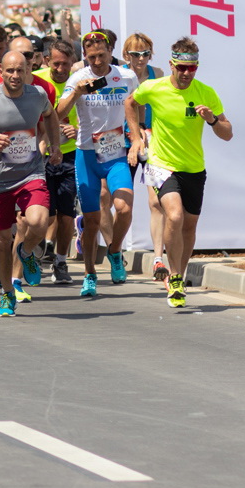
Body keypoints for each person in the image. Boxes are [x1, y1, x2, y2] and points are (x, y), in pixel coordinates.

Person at [125, 38, 232, 308]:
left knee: (189, 225)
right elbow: (130, 103)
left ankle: (178, 277)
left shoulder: (206, 92)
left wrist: (212, 120)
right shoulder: (154, 88)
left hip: (194, 168)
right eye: (182, 67)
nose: (186, 74)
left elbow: (227, 134)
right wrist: (136, 138)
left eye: (192, 69)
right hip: (162, 164)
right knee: (173, 214)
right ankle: (173, 275)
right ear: (172, 65)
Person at [0, 51, 62, 317]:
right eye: (10, 71)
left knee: (39, 222)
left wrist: (55, 145)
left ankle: (27, 251)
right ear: (1, 72)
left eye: (21, 70)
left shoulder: (37, 95)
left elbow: (51, 116)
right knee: (2, 242)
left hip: (30, 173)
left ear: (28, 70)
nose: (16, 76)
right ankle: (7, 293)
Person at [57, 31, 140, 297]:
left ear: (110, 52)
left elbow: (136, 105)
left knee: (124, 208)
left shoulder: (126, 76)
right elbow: (58, 114)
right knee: (91, 221)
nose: (97, 61)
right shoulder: (78, 78)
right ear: (85, 56)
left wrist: (136, 136)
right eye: (91, 57)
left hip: (115, 152)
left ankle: (115, 251)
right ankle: (90, 274)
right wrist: (76, 93)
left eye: (101, 55)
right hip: (87, 154)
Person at [122, 32, 167, 280]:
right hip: (123, 140)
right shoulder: (119, 74)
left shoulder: (158, 74)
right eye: (135, 54)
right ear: (125, 55)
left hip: (152, 141)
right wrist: (132, 134)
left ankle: (158, 259)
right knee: (119, 201)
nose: (140, 59)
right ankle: (112, 247)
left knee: (156, 202)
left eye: (145, 54)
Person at [33, 39, 79, 284]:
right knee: (43, 215)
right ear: (46, 60)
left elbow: (92, 117)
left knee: (66, 215)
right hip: (41, 156)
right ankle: (36, 253)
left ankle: (60, 262)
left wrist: (78, 131)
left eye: (66, 64)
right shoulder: (37, 81)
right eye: (56, 64)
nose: (61, 69)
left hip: (70, 155)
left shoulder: (79, 83)